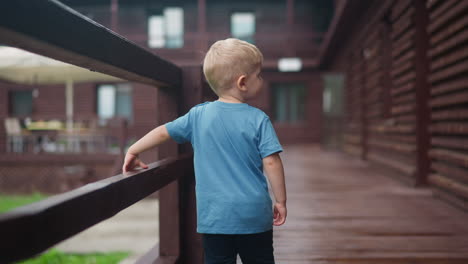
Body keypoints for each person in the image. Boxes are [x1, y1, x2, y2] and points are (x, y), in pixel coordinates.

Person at [122, 38, 287, 264]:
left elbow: (163, 132)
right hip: (254, 215)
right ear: (242, 82)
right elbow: (272, 162)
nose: (261, 80)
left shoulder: (198, 116)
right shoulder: (258, 119)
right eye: (258, 75)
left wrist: (133, 149)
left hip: (215, 218)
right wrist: (280, 201)